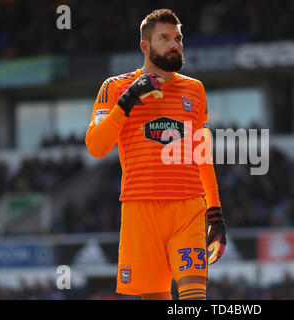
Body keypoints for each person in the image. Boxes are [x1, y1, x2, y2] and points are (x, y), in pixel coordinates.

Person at [85, 9, 226, 300]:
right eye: (165, 38)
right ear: (145, 47)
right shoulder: (114, 88)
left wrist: (215, 210)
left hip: (187, 208)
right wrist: (127, 102)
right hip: (140, 211)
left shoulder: (194, 90)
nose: (175, 44)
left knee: (193, 299)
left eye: (178, 38)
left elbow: (202, 154)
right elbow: (96, 147)